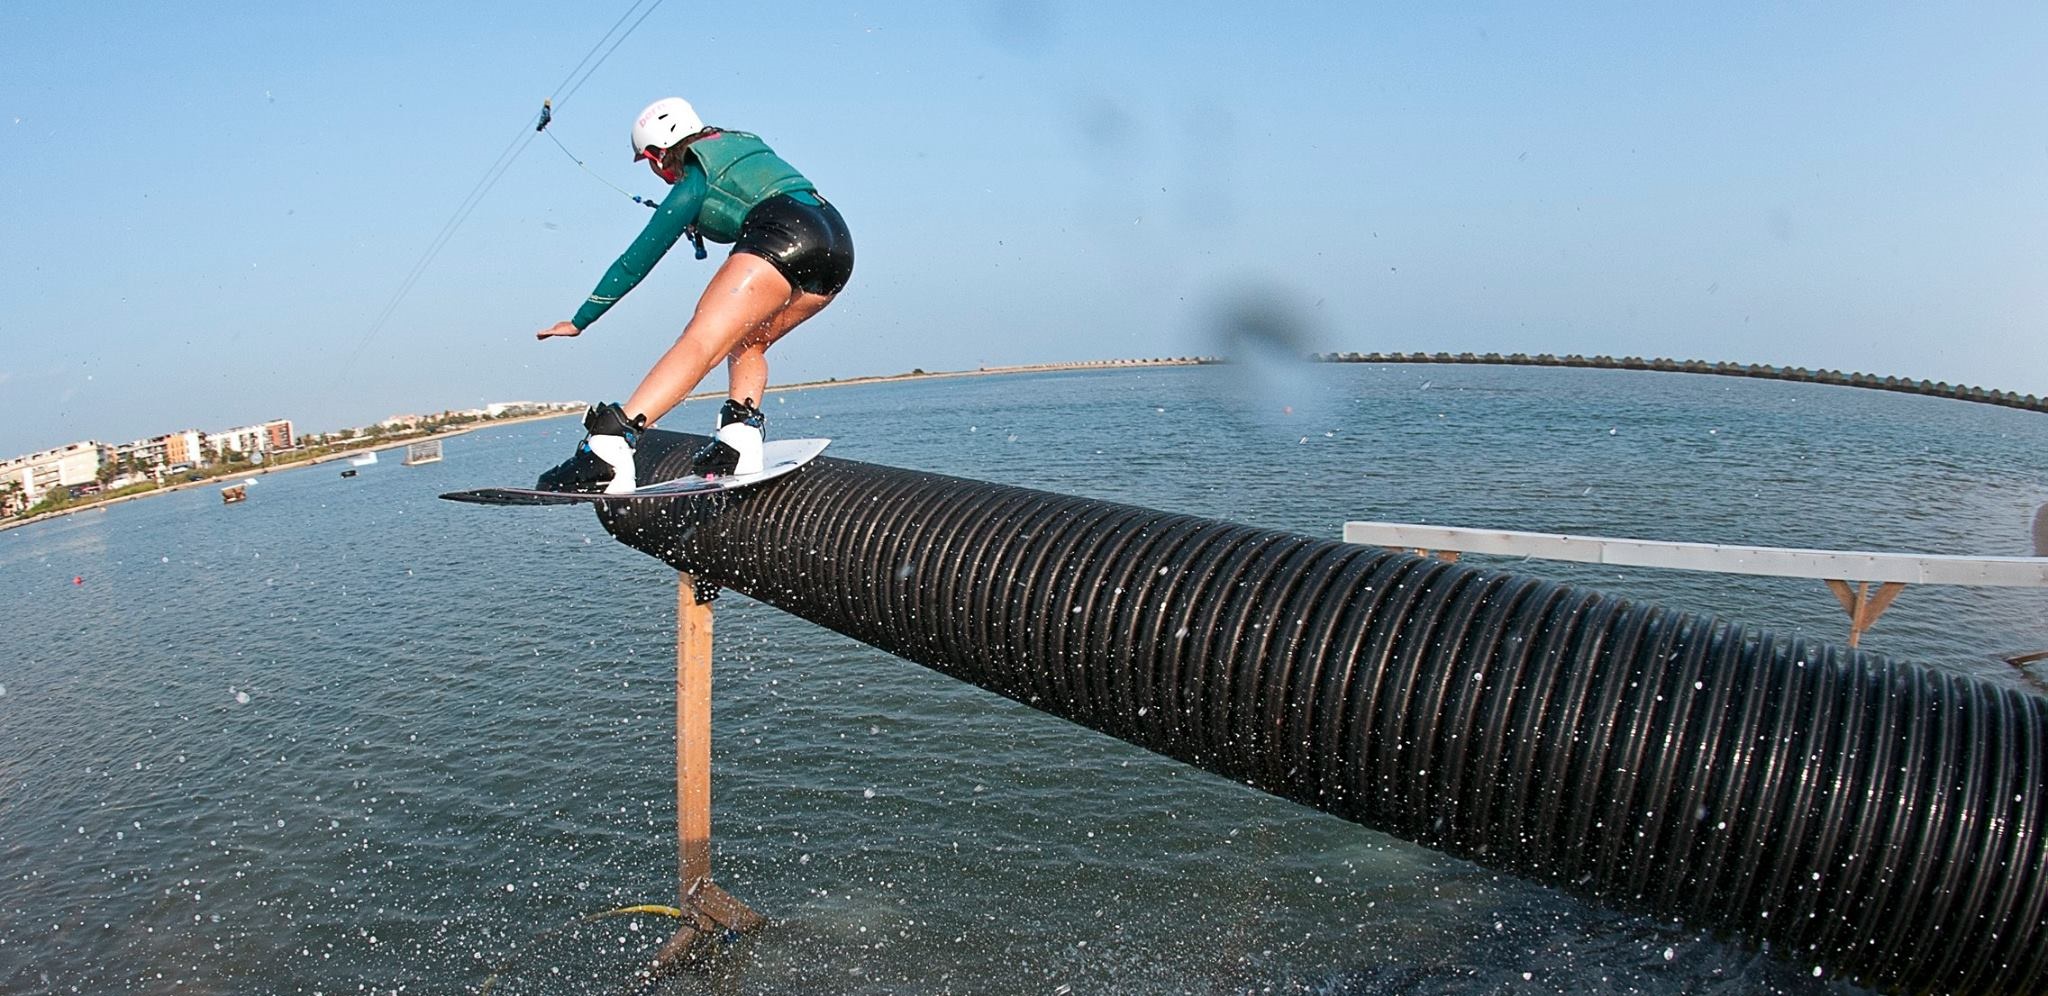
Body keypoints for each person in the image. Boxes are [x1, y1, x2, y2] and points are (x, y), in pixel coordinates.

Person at [534, 96, 853, 493]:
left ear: (656, 155)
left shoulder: (694, 178)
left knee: (702, 339)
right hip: (836, 242)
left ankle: (609, 448)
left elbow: (636, 259)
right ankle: (740, 441)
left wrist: (581, 319)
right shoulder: (738, 141)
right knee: (749, 342)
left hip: (783, 231)